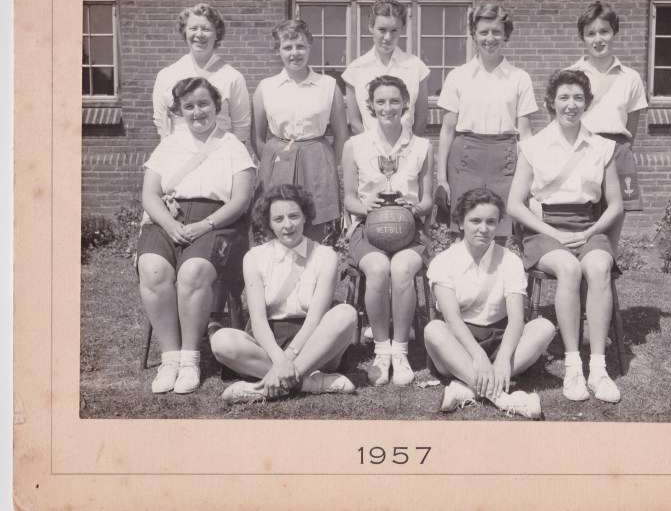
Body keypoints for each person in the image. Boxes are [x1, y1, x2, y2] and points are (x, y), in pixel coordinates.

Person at [507, 69, 623, 403]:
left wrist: (589, 231)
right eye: (563, 98)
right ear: (551, 103)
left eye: (577, 98)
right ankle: (574, 365)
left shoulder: (603, 147)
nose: (570, 105)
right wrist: (552, 232)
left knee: (599, 267)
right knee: (570, 270)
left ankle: (598, 367)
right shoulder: (532, 146)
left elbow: (614, 206)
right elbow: (515, 205)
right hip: (544, 228)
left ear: (587, 102)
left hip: (588, 226)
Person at [137, 77, 256, 394]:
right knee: (152, 268)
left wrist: (206, 225)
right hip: (169, 219)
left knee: (193, 271)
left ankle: (190, 358)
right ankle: (170, 358)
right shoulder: (168, 145)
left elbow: (241, 200)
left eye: (203, 103)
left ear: (216, 106)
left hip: (218, 223)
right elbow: (149, 194)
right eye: (188, 106)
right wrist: (168, 224)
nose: (197, 111)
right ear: (179, 111)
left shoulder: (233, 146)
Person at [210, 184, 357, 404]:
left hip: (314, 344)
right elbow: (258, 321)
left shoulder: (325, 256)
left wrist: (289, 359)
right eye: (278, 219)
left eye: (294, 216)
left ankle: (263, 388)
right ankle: (309, 383)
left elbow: (315, 319)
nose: (287, 225)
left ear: (305, 217)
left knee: (346, 313)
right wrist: (280, 360)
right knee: (221, 340)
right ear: (268, 222)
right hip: (267, 344)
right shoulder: (255, 257)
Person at [424, 188, 555, 419]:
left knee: (544, 327)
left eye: (491, 222)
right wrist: (478, 356)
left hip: (500, 341)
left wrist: (503, 358)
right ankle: (504, 399)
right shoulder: (443, 261)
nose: (483, 229)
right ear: (461, 223)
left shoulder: (510, 261)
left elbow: (516, 319)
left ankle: (466, 388)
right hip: (458, 344)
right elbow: (452, 319)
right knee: (433, 330)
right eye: (475, 221)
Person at [341, 75, 433, 387]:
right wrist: (367, 209)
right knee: (379, 268)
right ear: (370, 106)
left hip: (409, 230)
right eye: (380, 101)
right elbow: (349, 199)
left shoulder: (421, 146)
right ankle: (382, 349)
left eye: (395, 100)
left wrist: (412, 208)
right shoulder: (354, 145)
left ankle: (400, 351)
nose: (388, 107)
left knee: (403, 267)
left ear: (406, 103)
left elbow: (428, 199)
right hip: (367, 229)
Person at [435, 3, 537, 239]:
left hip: (505, 159)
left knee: (499, 229)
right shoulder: (458, 76)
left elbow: (526, 133)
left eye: (496, 32)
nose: (490, 38)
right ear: (474, 34)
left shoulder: (520, 78)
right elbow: (447, 130)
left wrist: (530, 177)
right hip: (465, 158)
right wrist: (442, 179)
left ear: (506, 35)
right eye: (483, 32)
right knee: (463, 231)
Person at [252, 19, 348, 243]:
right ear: (278, 50)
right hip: (278, 161)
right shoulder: (266, 87)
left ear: (309, 47)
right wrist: (272, 164)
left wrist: (325, 166)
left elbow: (342, 135)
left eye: (300, 46)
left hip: (317, 160)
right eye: (287, 47)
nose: (295, 53)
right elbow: (257, 137)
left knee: (315, 228)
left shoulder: (328, 86)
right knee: (278, 223)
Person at [567, 1, 648, 253]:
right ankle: (583, 284)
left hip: (618, 151)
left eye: (604, 31)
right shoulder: (571, 74)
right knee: (583, 224)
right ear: (582, 37)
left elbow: (631, 126)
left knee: (613, 225)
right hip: (583, 151)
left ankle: (607, 284)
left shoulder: (630, 77)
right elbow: (563, 121)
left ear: (614, 32)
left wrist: (617, 151)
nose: (598, 39)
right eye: (591, 33)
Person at [153, 3, 251, 143]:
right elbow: (161, 125)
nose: (199, 34)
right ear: (184, 32)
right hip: (178, 157)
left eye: (206, 29)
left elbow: (242, 128)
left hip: (219, 156)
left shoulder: (233, 77)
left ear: (217, 34)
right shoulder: (166, 76)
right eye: (193, 28)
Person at [342, 0, 430, 136]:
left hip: (407, 150)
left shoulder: (416, 67)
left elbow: (421, 119)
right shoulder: (355, 69)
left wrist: (408, 148)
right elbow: (355, 122)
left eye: (394, 30)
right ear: (371, 27)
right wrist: (370, 148)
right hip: (368, 151)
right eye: (382, 30)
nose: (388, 37)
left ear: (402, 29)